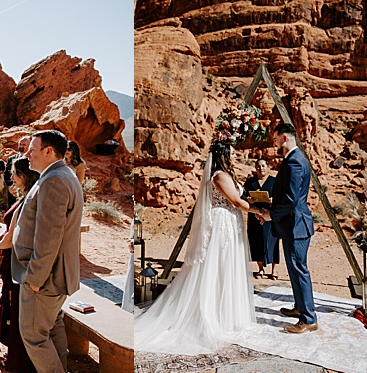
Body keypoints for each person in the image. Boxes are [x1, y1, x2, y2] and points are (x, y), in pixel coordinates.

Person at [134, 142, 262, 355]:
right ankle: (212, 314)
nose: (235, 156)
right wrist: (259, 211)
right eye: (231, 153)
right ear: (223, 155)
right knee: (219, 266)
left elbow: (240, 201)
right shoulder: (220, 176)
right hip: (223, 224)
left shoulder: (228, 175)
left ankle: (228, 315)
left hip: (232, 222)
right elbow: (236, 202)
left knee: (229, 267)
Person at [11, 130, 83, 373]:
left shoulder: (54, 180)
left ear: (48, 151)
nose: (27, 154)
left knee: (34, 337)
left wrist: (35, 277)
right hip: (56, 275)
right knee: (52, 327)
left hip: (45, 278)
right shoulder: (62, 175)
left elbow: (49, 235)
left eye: (32, 150)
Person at [259, 123, 318, 334]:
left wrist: (270, 215)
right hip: (291, 225)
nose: (273, 142)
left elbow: (292, 200)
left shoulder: (294, 162)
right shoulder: (295, 159)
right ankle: (300, 308)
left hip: (296, 226)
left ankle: (309, 318)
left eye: (275, 138)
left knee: (299, 269)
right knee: (294, 270)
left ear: (284, 138)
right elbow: (289, 196)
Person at [0, 157, 39, 373]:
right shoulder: (27, 197)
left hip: (18, 262)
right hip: (14, 258)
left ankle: (18, 362)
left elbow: (13, 237)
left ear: (25, 176)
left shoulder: (29, 200)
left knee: (18, 310)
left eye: (15, 173)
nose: (12, 177)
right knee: (14, 308)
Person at [243, 158, 279, 279]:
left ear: (267, 167)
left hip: (270, 215)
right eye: (258, 166)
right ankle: (260, 268)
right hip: (255, 215)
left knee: (272, 240)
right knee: (256, 240)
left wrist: (273, 200)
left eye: (263, 166)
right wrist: (249, 199)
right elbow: (243, 196)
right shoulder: (250, 182)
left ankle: (274, 270)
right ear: (255, 167)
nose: (261, 168)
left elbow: (281, 197)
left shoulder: (274, 181)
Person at [4, 136, 30, 208]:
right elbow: (7, 174)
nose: (21, 146)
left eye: (24, 145)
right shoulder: (12, 159)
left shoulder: (32, 159)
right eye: (20, 144)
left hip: (27, 190)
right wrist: (11, 186)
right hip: (13, 191)